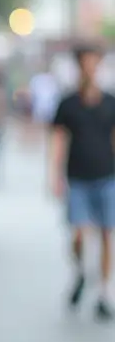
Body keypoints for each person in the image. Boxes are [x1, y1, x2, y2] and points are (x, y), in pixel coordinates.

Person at [50, 44, 115, 321]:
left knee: (105, 234)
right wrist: (53, 175)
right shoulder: (68, 104)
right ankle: (80, 271)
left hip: (106, 175)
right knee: (78, 234)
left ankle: (104, 292)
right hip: (77, 176)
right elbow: (58, 139)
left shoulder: (110, 101)